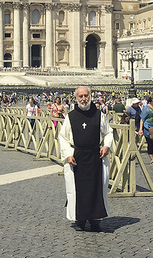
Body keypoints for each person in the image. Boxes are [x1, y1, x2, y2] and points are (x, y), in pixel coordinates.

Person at [58, 86, 113, 232]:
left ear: (90, 96)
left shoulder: (99, 115)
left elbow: (108, 132)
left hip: (96, 156)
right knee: (78, 190)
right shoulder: (70, 117)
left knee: (96, 189)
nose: (83, 99)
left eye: (86, 96)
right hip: (77, 158)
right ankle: (80, 219)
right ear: (76, 98)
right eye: (80, 96)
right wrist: (68, 154)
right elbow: (62, 138)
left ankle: (95, 220)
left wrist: (106, 146)